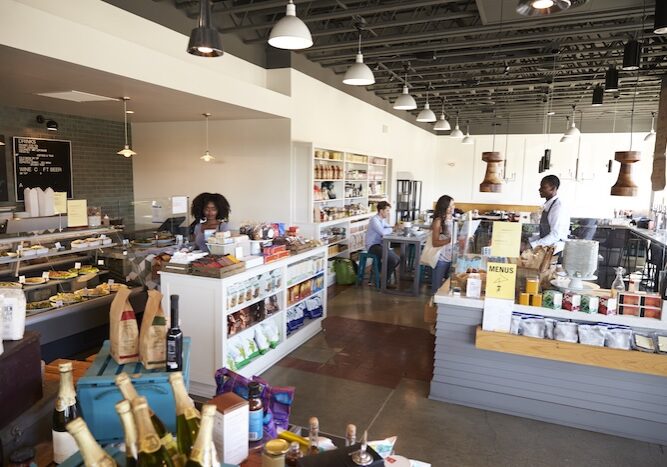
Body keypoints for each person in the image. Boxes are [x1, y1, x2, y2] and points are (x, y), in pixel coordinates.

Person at [530, 175, 570, 254]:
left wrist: (532, 245)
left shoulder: (558, 207)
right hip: (547, 248)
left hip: (555, 251)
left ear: (553, 188)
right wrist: (529, 240)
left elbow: (555, 235)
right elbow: (545, 233)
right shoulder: (549, 205)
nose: (539, 189)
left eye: (543, 187)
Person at [365, 201, 400, 286]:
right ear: (381, 211)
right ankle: (383, 281)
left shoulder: (381, 220)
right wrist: (393, 229)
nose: (388, 213)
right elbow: (383, 232)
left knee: (397, 259)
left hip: (379, 245)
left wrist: (395, 227)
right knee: (393, 259)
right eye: (387, 210)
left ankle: (381, 279)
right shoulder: (374, 220)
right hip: (372, 246)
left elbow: (388, 227)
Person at [430, 195, 455, 295]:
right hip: (441, 259)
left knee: (448, 287)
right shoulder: (438, 221)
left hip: (452, 258)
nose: (453, 207)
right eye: (450, 205)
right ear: (444, 207)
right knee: (436, 289)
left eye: (453, 205)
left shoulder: (453, 219)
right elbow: (434, 242)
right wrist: (450, 240)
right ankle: (433, 308)